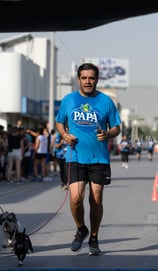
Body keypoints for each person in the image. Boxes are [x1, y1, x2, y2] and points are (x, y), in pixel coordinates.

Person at [55, 62, 121, 255]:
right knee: (76, 198)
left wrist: (108, 134)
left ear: (96, 80)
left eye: (91, 78)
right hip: (75, 156)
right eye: (84, 78)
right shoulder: (68, 100)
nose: (88, 81)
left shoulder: (106, 101)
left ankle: (93, 236)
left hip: (99, 158)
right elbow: (60, 122)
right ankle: (80, 228)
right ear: (78, 80)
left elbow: (117, 127)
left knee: (96, 199)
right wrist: (64, 135)